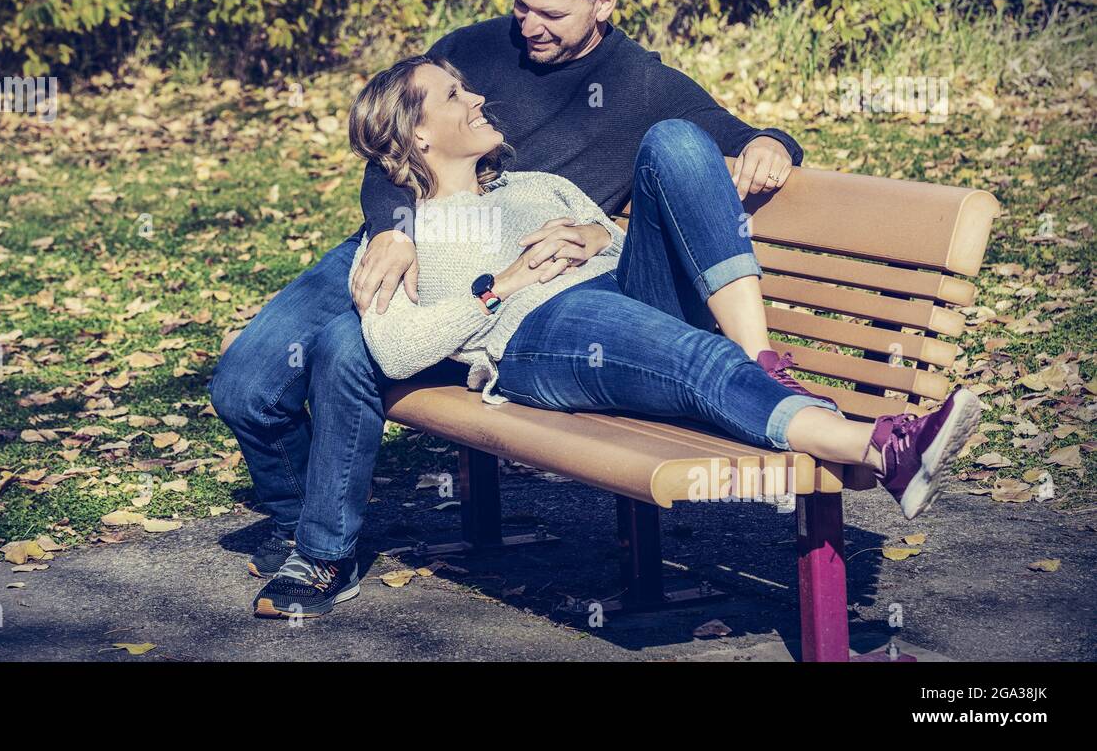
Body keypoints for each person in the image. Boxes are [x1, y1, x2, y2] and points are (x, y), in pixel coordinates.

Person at [211, 0, 810, 616]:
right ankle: (291, 519)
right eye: (521, 5)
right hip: (400, 245)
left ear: (604, 2)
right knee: (245, 386)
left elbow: (736, 138)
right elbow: (392, 144)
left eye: (550, 14)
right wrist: (394, 227)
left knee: (347, 350)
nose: (529, 25)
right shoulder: (474, 50)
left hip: (506, 304)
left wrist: (774, 142)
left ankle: (322, 555)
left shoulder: (642, 86)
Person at [246, 55, 982, 619]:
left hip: (617, 295)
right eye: (452, 97)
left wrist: (590, 232)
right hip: (538, 332)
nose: (476, 98)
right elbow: (397, 350)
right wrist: (502, 281)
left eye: (467, 89)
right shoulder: (404, 237)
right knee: (691, 357)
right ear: (415, 133)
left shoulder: (531, 186)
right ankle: (877, 446)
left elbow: (610, 243)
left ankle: (767, 361)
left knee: (673, 139)